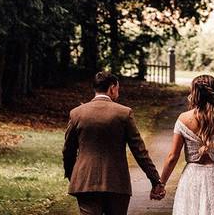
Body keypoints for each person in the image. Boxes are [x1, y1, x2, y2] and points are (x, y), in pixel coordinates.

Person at [63, 72, 166, 215]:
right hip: (116, 183)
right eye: (118, 88)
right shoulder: (124, 113)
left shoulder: (77, 113)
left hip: (85, 182)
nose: (118, 92)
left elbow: (68, 150)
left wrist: (72, 176)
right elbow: (139, 151)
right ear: (112, 88)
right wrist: (155, 180)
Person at [158, 75, 214, 215]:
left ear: (194, 93)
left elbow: (173, 157)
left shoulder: (183, 119)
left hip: (193, 177)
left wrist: (161, 184)